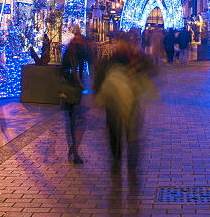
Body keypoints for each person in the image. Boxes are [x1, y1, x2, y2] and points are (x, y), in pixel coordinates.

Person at [94, 34, 156, 178]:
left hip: (131, 102)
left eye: (123, 42)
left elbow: (152, 69)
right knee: (114, 133)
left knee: (131, 134)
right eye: (119, 42)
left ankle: (131, 164)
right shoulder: (110, 59)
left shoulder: (135, 58)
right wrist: (99, 94)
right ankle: (117, 161)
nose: (121, 45)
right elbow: (99, 78)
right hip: (113, 103)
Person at [61, 26, 91, 164]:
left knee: (76, 121)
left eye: (80, 36)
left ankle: (74, 149)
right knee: (74, 121)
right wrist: (73, 81)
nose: (79, 38)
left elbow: (89, 59)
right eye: (77, 36)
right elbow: (63, 70)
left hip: (76, 89)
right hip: (71, 90)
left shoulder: (78, 50)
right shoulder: (70, 51)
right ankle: (74, 150)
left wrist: (86, 46)